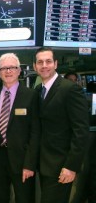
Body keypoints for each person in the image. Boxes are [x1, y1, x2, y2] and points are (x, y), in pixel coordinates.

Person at [33, 47, 89, 203]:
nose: (44, 65)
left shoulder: (70, 89)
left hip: (61, 166)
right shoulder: (38, 90)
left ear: (56, 64)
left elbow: (81, 131)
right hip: (43, 165)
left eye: (48, 61)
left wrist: (72, 166)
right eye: (40, 62)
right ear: (35, 66)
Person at [0, 53, 40, 203]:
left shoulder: (31, 96)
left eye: (12, 68)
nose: (8, 71)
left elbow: (35, 133)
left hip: (22, 160)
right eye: (4, 68)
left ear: (19, 71)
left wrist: (30, 164)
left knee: (24, 199)